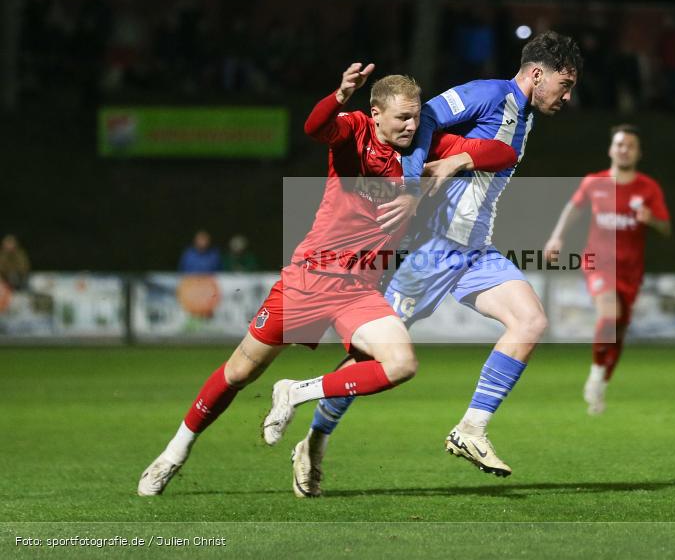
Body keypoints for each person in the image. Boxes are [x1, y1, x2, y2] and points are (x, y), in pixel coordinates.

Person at [138, 63, 515, 496]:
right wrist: (338, 96)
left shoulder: (422, 147)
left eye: (416, 116)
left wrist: (454, 163)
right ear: (375, 113)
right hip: (310, 278)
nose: (414, 125)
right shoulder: (355, 130)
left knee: (402, 363)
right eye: (403, 118)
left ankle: (296, 391)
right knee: (239, 372)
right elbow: (315, 126)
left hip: (358, 291)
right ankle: (174, 453)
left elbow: (505, 154)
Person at [278, 31, 582, 496]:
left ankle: (471, 430)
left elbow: (489, 155)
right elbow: (425, 119)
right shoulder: (488, 93)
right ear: (538, 74)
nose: (568, 95)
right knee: (369, 356)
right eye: (566, 83)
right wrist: (414, 180)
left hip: (475, 248)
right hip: (432, 250)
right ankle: (311, 433)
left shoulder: (523, 116)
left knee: (530, 320)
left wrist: (459, 159)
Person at [544, 124, 670, 415]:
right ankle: (596, 374)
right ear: (611, 149)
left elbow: (666, 227)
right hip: (598, 263)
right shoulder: (594, 182)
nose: (624, 149)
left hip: (631, 270)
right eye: (620, 144)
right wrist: (557, 236)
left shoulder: (648, 188)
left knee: (619, 330)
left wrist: (651, 219)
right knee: (610, 315)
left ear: (638, 153)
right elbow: (573, 208)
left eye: (630, 145)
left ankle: (601, 378)